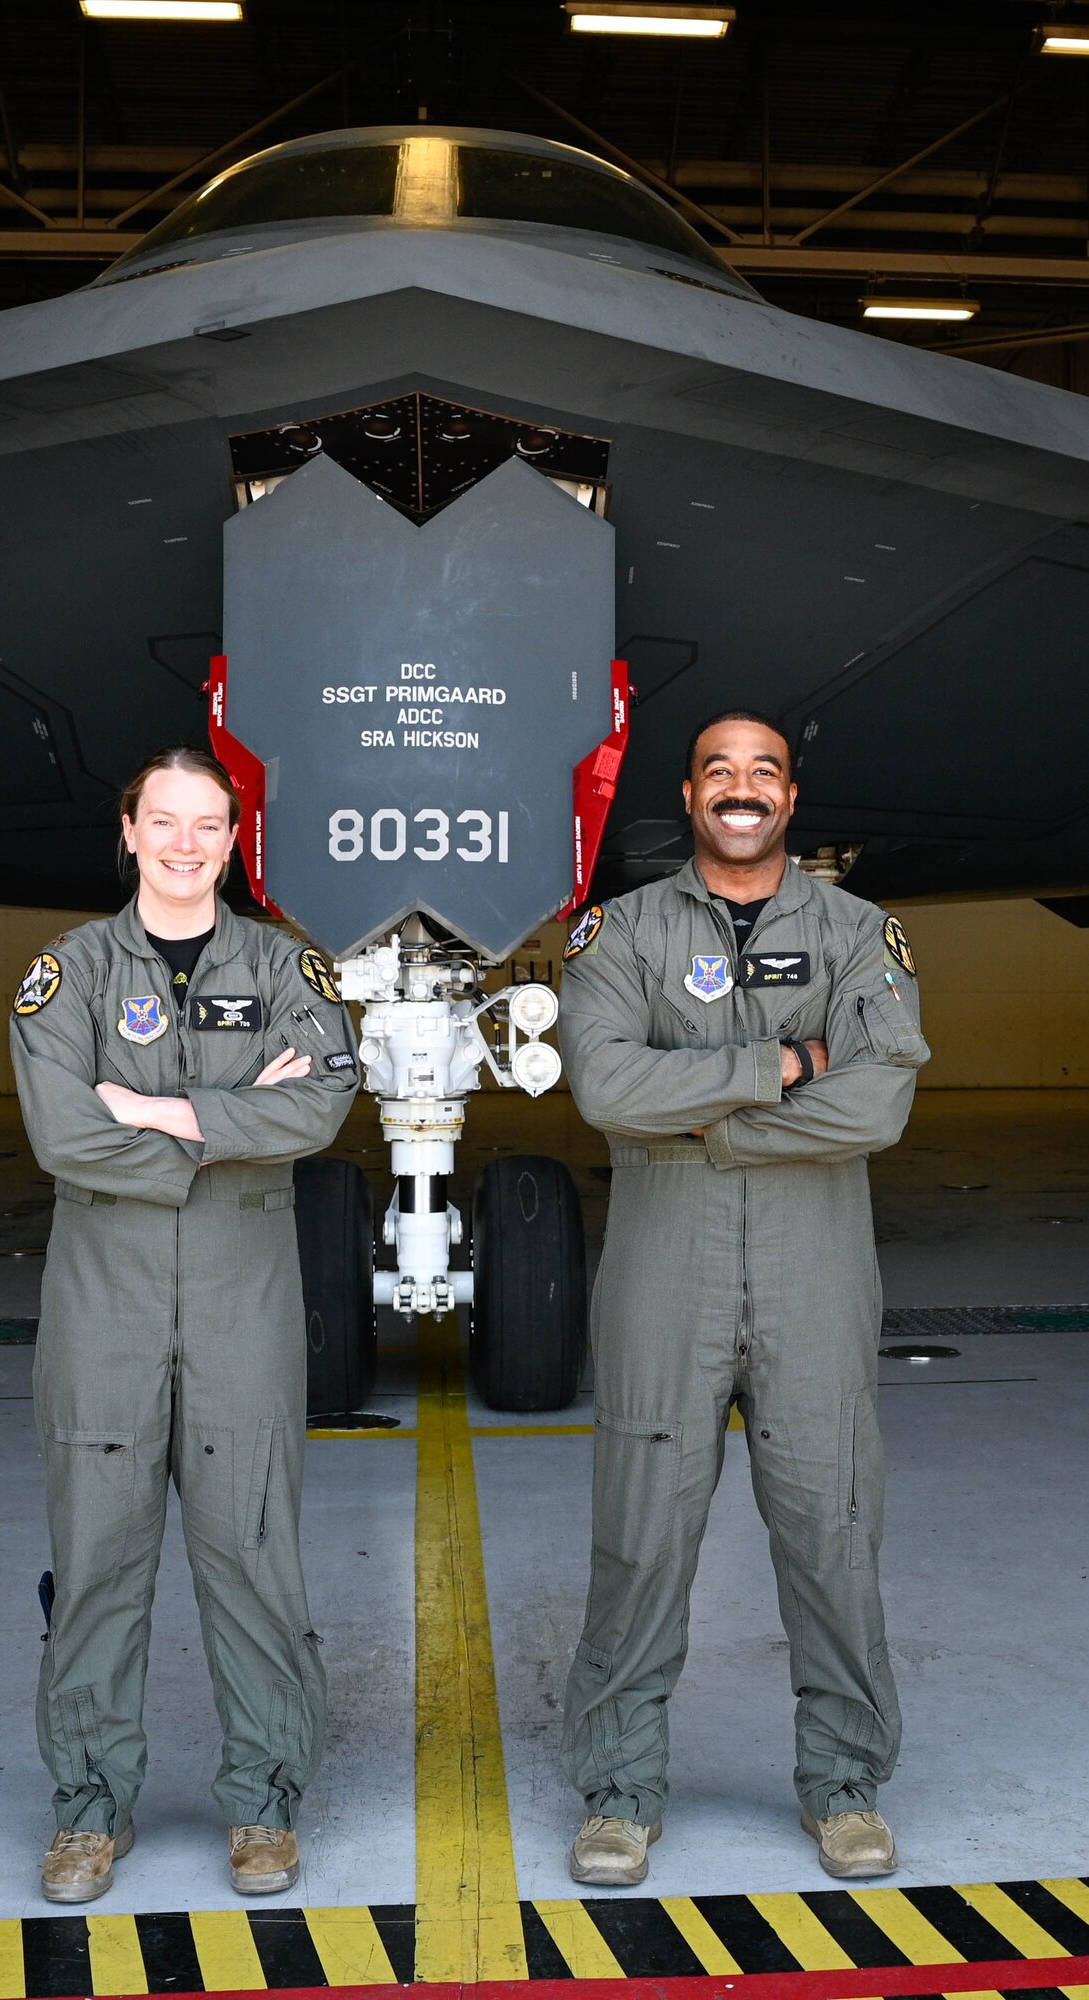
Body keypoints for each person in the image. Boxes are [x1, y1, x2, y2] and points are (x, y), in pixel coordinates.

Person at [557, 709, 929, 1888]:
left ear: (788, 796)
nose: (740, 786)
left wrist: (701, 1119)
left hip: (814, 1265)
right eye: (719, 769)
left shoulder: (860, 933)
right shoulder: (617, 930)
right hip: (663, 1270)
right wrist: (781, 1063)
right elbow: (607, 1085)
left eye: (760, 770)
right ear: (689, 792)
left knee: (831, 1528)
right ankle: (618, 1791)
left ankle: (844, 1783)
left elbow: (877, 1106)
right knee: (640, 1531)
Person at [9, 745, 358, 1904]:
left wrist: (152, 1107)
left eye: (208, 824)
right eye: (165, 820)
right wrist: (231, 1115)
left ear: (232, 838)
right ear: (128, 830)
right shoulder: (68, 970)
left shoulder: (281, 961)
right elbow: (62, 1134)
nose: (185, 843)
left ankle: (262, 1802)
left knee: (252, 1555)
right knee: (100, 1557)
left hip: (241, 1301)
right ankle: (86, 1809)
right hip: (99, 1300)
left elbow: (322, 1099)